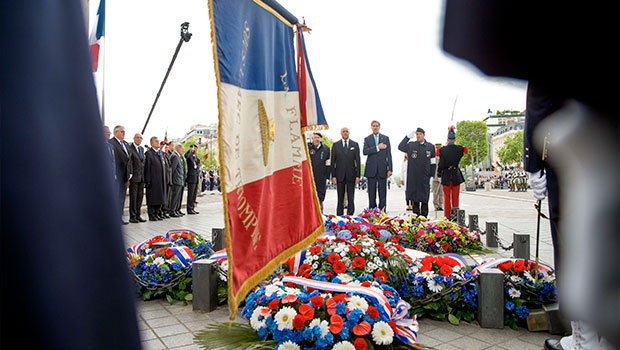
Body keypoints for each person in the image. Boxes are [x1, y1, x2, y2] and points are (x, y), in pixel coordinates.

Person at [398, 128, 435, 217]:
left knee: (425, 199)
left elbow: (433, 162)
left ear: (424, 135)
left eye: (420, 134)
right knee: (415, 199)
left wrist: (432, 175)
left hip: (425, 177)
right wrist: (407, 137)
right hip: (414, 177)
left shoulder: (430, 147)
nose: (418, 136)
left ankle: (424, 218)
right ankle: (416, 219)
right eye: (417, 134)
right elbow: (400, 146)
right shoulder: (411, 145)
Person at [363, 120, 392, 211]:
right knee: (371, 193)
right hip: (371, 169)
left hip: (382, 169)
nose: (375, 127)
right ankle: (372, 212)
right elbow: (365, 151)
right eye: (373, 126)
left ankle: (382, 211)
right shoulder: (367, 139)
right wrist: (377, 148)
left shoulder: (385, 138)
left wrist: (390, 169)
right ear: (371, 127)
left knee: (382, 192)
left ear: (379, 127)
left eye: (377, 126)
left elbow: (389, 154)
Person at [437, 127, 467, 218]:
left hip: (446, 174)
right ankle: (455, 215)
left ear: (447, 139)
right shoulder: (460, 149)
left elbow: (441, 164)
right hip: (456, 174)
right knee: (455, 196)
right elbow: (463, 152)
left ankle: (448, 216)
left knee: (446, 197)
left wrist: (439, 172)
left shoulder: (442, 150)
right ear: (455, 139)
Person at [331, 127, 360, 216]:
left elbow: (358, 161)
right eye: (343, 131)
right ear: (341, 133)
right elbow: (333, 162)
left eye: (347, 131)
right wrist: (333, 176)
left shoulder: (355, 144)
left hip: (351, 175)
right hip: (339, 175)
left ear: (349, 133)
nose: (345, 133)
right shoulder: (336, 145)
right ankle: (339, 215)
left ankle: (350, 215)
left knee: (351, 197)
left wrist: (358, 176)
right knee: (340, 197)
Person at [108, 125, 133, 225]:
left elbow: (129, 159)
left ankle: (119, 217)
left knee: (121, 198)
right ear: (116, 132)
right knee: (115, 197)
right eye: (122, 132)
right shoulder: (111, 143)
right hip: (116, 176)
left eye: (124, 132)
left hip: (124, 176)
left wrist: (130, 172)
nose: (124, 133)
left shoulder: (125, 144)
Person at [144, 136, 167, 221]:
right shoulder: (149, 153)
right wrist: (148, 180)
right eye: (156, 141)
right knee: (152, 198)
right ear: (152, 143)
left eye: (158, 141)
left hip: (160, 179)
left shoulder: (159, 153)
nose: (158, 143)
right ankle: (152, 214)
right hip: (153, 179)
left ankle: (157, 213)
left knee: (159, 197)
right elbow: (147, 167)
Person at [308, 132, 330, 212]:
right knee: (310, 193)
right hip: (310, 174)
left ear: (320, 139)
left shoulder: (326, 149)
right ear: (312, 138)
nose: (316, 139)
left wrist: (328, 176)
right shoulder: (308, 147)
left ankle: (320, 209)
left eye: (318, 138)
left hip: (321, 175)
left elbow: (328, 163)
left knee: (320, 192)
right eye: (315, 137)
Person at [128, 133, 146, 223]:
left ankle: (138, 215)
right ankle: (133, 216)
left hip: (141, 177)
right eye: (137, 138)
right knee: (133, 197)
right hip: (134, 177)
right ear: (134, 138)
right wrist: (129, 176)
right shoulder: (130, 148)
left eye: (141, 138)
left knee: (140, 197)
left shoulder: (142, 149)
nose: (139, 139)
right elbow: (130, 163)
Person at [169, 144, 186, 217]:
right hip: (176, 180)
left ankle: (176, 210)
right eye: (182, 149)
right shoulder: (175, 156)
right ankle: (172, 211)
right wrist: (171, 180)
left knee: (178, 197)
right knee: (174, 196)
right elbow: (172, 169)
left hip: (180, 179)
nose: (183, 150)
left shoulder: (180, 157)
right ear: (178, 148)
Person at [185, 144, 200, 214]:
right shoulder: (189, 157)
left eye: (196, 149)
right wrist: (191, 151)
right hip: (191, 178)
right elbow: (187, 157)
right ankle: (189, 208)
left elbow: (197, 165)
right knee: (190, 194)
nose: (196, 151)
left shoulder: (196, 157)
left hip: (196, 177)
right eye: (195, 149)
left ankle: (192, 207)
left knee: (194, 194)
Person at [432, 143, 444, 211]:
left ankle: (440, 205)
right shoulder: (434, 158)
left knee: (440, 193)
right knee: (436, 193)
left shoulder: (442, 157)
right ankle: (437, 205)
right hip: (435, 177)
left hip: (441, 176)